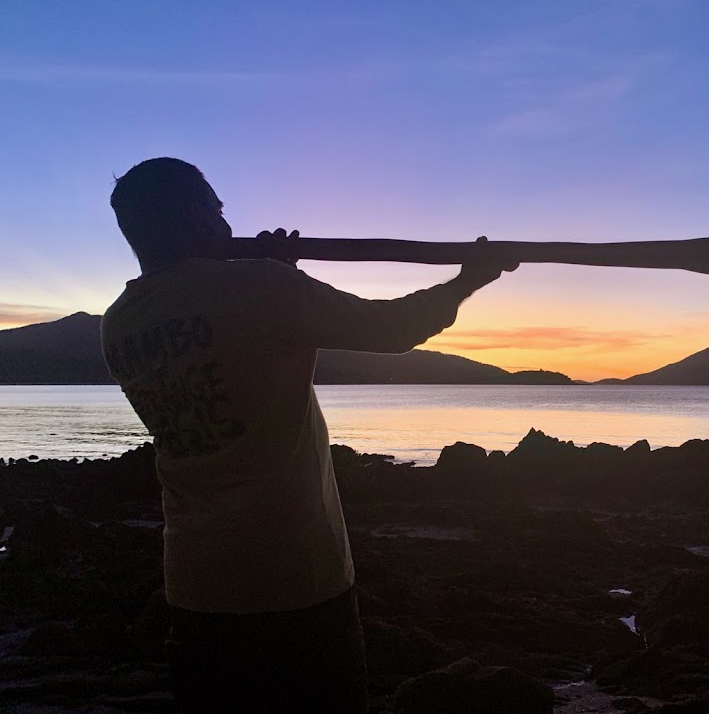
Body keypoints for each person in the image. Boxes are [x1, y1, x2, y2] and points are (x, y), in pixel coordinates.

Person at [101, 157, 516, 713]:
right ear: (195, 216)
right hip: (294, 576)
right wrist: (471, 278)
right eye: (218, 209)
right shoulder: (260, 286)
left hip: (197, 584)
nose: (228, 224)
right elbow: (392, 329)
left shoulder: (119, 322)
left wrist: (276, 274)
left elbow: (224, 347)